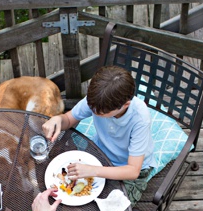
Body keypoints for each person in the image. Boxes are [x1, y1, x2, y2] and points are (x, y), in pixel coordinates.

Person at [42, 65, 155, 203]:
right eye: (92, 109)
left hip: (128, 168)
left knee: (113, 208)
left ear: (125, 105)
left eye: (101, 113)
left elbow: (133, 171)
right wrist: (58, 119)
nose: (94, 112)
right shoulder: (96, 100)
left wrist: (93, 170)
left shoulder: (140, 118)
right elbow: (69, 119)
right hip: (100, 152)